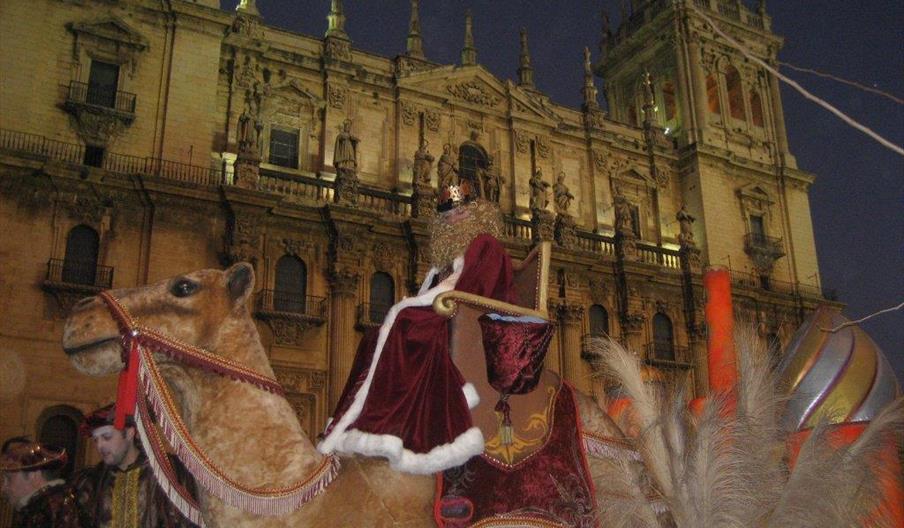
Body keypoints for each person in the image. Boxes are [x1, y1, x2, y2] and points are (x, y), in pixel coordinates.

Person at [318, 180, 516, 474]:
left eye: (461, 212)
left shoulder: (484, 244)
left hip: (475, 324)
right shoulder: (449, 258)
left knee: (405, 325)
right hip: (452, 314)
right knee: (374, 337)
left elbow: (472, 289)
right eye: (448, 216)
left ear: (477, 212)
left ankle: (390, 428)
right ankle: (374, 425)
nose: (455, 219)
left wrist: (411, 307)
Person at [71, 404, 196, 528]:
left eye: (106, 437)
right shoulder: (93, 481)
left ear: (130, 433)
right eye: (96, 440)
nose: (100, 446)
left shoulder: (165, 472)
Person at [0, 437, 80, 527]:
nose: (3, 488)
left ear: (32, 474)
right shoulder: (49, 505)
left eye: (9, 479)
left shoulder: (51, 509)